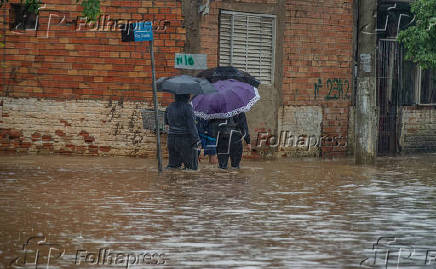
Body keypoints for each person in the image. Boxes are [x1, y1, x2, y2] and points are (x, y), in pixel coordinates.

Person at [164, 94, 200, 170]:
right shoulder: (188, 107)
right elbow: (192, 126)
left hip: (171, 140)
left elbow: (166, 123)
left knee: (173, 167)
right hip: (185, 140)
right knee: (191, 169)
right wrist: (197, 139)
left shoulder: (169, 107)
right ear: (186, 96)